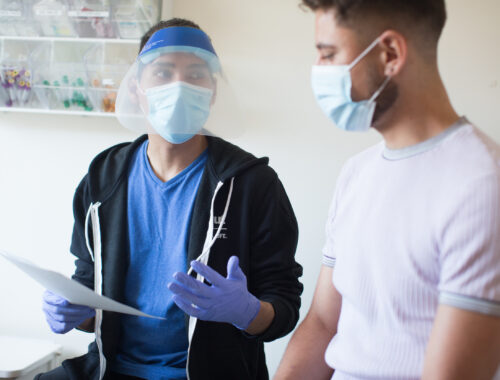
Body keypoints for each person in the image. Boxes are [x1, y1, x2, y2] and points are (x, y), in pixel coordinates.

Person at [37, 18, 303, 380]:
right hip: (107, 370)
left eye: (196, 75)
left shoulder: (252, 184)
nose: (179, 86)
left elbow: (284, 306)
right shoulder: (103, 178)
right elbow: (89, 288)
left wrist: (247, 311)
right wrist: (73, 309)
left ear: (213, 92)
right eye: (163, 73)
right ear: (135, 89)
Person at [275, 1, 500, 379]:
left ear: (390, 54)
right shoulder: (356, 173)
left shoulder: (481, 187)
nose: (319, 72)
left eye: (329, 55)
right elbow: (322, 325)